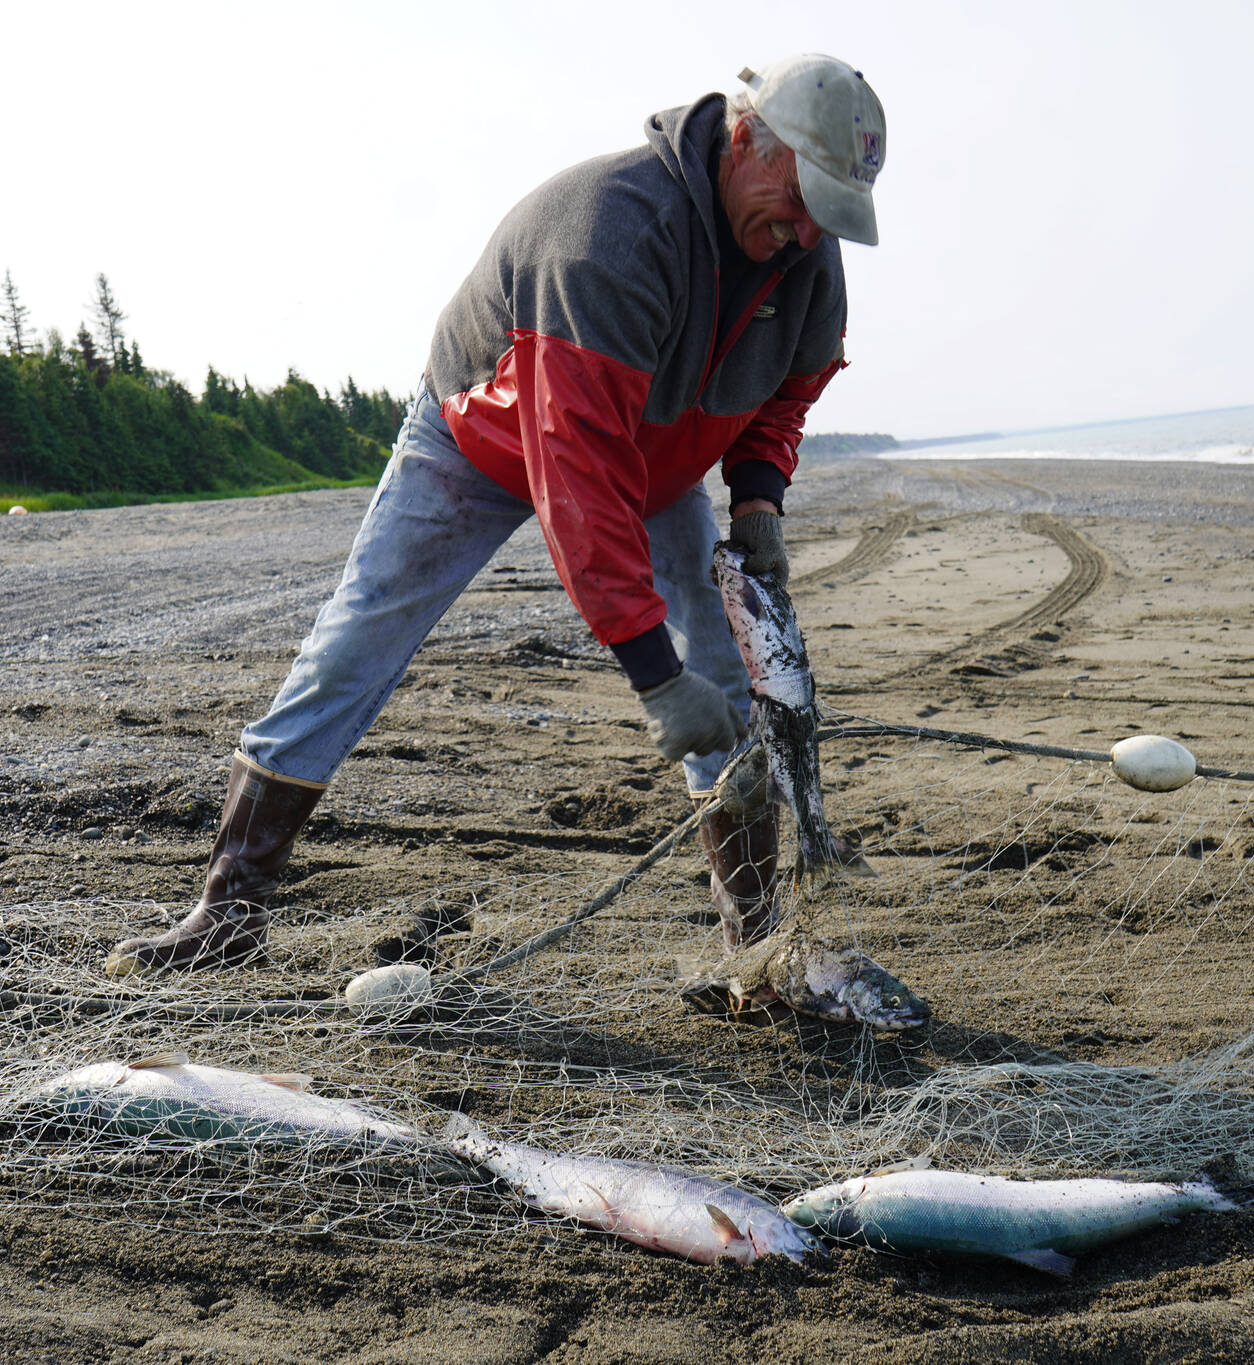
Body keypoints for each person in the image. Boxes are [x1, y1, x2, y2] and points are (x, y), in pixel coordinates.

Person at [105, 54, 887, 976]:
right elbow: (578, 472)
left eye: (826, 214)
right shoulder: (609, 235)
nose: (802, 233)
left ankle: (757, 946)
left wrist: (757, 496)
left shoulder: (806, 251)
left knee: (723, 659)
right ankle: (226, 908)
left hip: (647, 455)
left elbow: (789, 390)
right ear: (746, 138)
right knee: (358, 639)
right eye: (797, 201)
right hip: (480, 432)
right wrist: (652, 675)